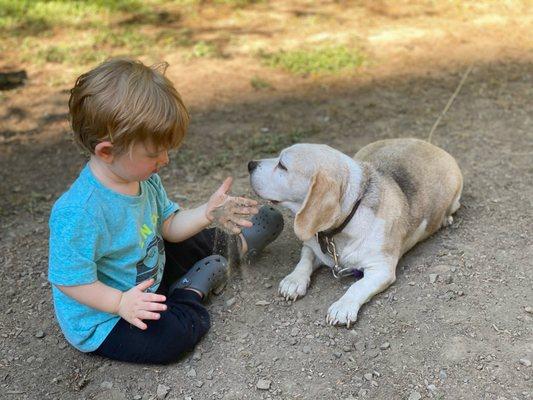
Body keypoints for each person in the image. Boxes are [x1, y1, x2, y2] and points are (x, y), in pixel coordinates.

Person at [48, 58, 284, 364]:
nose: (165, 160)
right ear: (107, 152)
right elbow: (71, 281)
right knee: (173, 337)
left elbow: (169, 226)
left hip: (147, 268)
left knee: (189, 240)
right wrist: (120, 302)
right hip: (108, 315)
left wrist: (206, 214)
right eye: (154, 153)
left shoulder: (143, 178)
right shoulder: (79, 212)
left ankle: (236, 246)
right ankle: (190, 291)